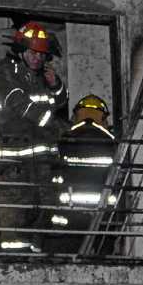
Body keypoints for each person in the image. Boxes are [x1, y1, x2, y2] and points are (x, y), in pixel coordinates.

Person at [0, 21, 68, 252]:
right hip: (14, 162)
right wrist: (56, 126)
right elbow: (20, 104)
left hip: (42, 162)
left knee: (45, 212)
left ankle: (39, 257)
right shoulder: (5, 72)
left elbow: (60, 102)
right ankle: (15, 264)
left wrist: (56, 85)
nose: (37, 58)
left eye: (41, 54)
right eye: (32, 53)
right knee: (16, 219)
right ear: (20, 50)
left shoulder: (41, 77)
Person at [48, 94, 117, 253]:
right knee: (103, 253)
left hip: (70, 210)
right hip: (102, 211)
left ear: (77, 115)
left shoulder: (65, 140)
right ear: (103, 118)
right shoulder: (111, 143)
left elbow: (55, 172)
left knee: (69, 251)